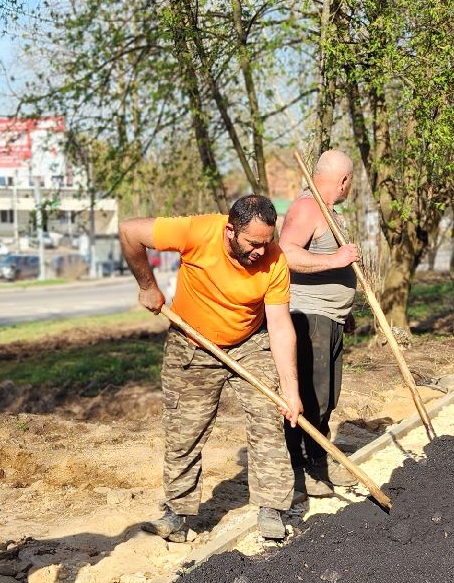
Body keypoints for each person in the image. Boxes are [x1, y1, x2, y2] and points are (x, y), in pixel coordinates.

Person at [120, 194, 302, 543]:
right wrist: (147, 286)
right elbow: (130, 231)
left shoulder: (275, 260)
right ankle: (177, 514)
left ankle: (271, 507)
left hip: (248, 343)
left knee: (269, 416)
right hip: (192, 344)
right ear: (230, 230)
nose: (261, 251)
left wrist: (291, 392)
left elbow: (280, 326)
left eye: (267, 242)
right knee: (184, 430)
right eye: (253, 243)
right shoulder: (198, 231)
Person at [277, 149, 362, 500]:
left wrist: (346, 308)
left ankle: (318, 459)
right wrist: (336, 259)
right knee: (312, 397)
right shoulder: (306, 207)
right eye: (350, 181)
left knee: (327, 396)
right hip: (309, 316)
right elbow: (285, 254)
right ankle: (304, 468)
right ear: (343, 180)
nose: (350, 187)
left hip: (331, 317)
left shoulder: (330, 212)